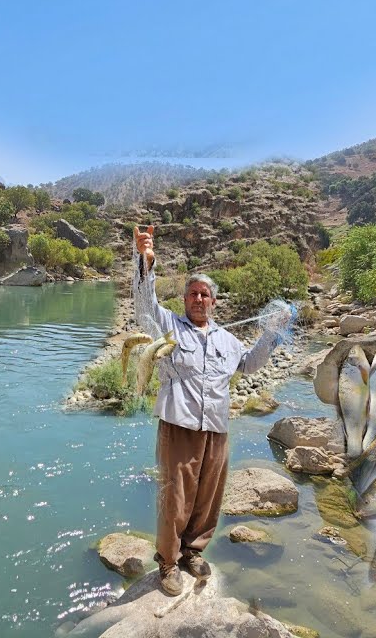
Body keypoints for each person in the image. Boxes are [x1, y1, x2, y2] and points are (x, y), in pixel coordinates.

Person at [132, 225, 283, 596]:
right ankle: (167, 562)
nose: (198, 300)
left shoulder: (228, 340)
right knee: (176, 495)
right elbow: (143, 308)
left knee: (208, 494)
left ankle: (192, 552)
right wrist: (144, 263)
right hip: (178, 424)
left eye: (205, 295)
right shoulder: (168, 327)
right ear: (184, 301)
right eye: (192, 294)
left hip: (216, 427)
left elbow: (248, 365)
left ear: (214, 302)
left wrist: (272, 333)